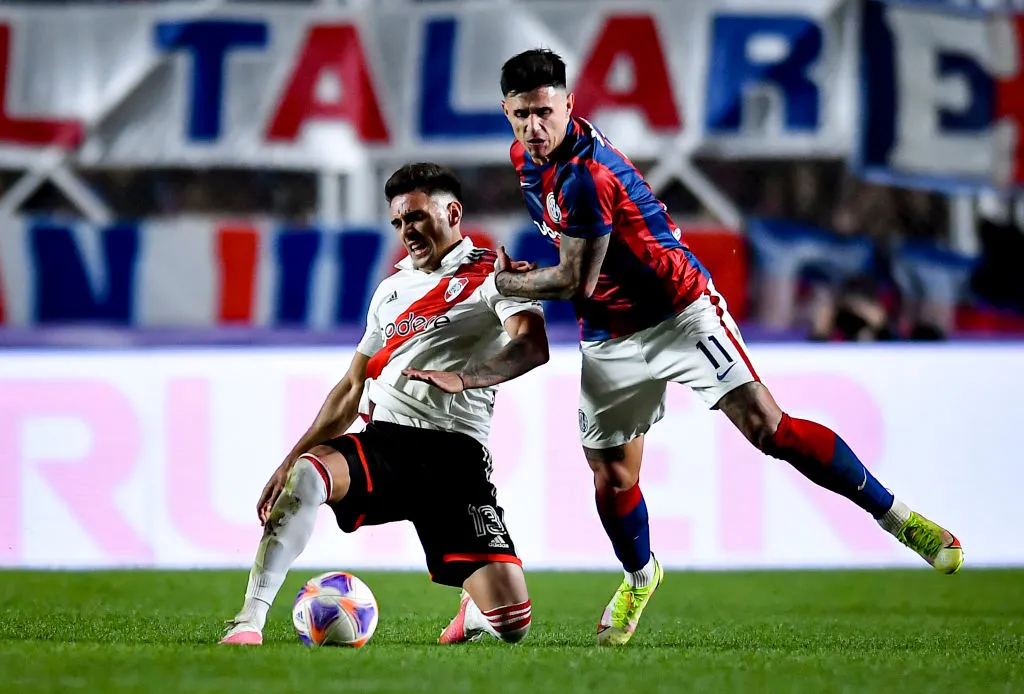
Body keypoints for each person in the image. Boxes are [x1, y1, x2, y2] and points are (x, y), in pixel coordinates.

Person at [489, 48, 962, 646]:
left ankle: (898, 520)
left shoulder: (588, 174)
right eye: (521, 115)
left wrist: (506, 281)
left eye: (545, 112)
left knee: (769, 429)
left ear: (569, 105)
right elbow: (578, 267)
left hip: (679, 312)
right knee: (610, 474)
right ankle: (640, 574)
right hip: (608, 330)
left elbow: (572, 278)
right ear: (506, 111)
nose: (534, 128)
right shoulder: (526, 159)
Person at [220, 163, 548, 646]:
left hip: (455, 456)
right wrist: (289, 460)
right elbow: (353, 387)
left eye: (415, 216)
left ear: (452, 211)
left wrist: (465, 377)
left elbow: (532, 346)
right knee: (308, 475)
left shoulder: (496, 276)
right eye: (397, 222)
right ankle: (250, 619)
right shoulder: (390, 291)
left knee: (512, 625)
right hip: (387, 444)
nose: (406, 231)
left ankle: (475, 611)